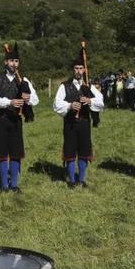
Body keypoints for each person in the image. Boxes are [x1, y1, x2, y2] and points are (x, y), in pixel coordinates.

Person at [0, 42, 39, 192]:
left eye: (16, 61)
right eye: (11, 61)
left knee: (16, 152)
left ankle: (14, 184)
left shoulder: (24, 81)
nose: (13, 64)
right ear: (6, 62)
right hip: (0, 120)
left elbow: (36, 100)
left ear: (19, 63)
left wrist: (27, 98)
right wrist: (9, 102)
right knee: (2, 152)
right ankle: (4, 185)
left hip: (16, 120)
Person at [53, 55, 104, 188]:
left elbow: (101, 102)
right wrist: (69, 106)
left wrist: (90, 101)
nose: (78, 71)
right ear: (73, 70)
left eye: (81, 68)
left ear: (84, 70)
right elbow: (56, 104)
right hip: (70, 123)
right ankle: (71, 180)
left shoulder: (89, 86)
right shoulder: (64, 86)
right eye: (76, 68)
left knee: (84, 150)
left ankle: (81, 179)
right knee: (70, 150)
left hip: (84, 122)